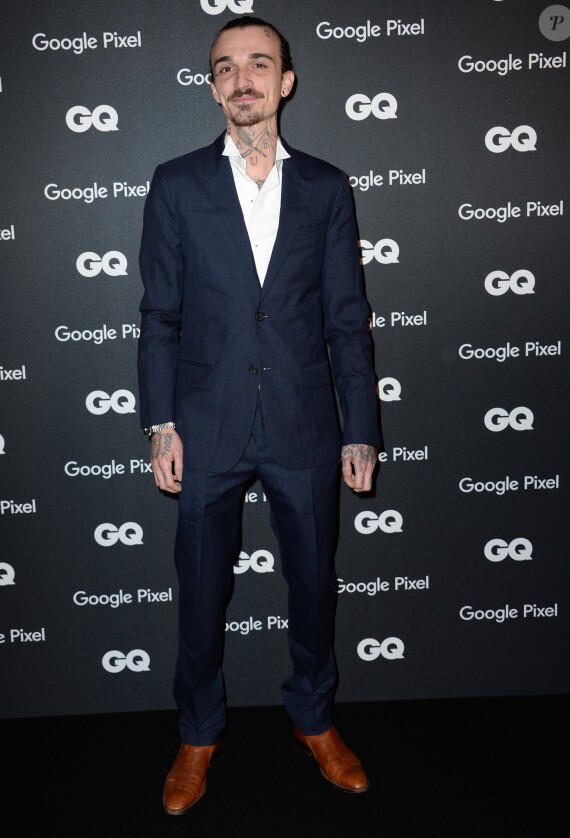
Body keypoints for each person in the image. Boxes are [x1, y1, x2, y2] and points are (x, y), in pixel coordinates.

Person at [137, 15, 381, 815]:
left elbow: (347, 317)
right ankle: (198, 733)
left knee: (313, 586)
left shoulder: (327, 186)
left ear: (286, 82)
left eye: (258, 64)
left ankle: (314, 718)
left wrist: (360, 427)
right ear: (213, 85)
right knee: (201, 593)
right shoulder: (175, 183)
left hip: (307, 423)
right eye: (225, 67)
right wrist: (160, 423)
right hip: (204, 423)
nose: (241, 79)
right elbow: (159, 318)